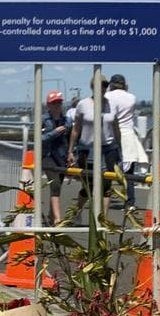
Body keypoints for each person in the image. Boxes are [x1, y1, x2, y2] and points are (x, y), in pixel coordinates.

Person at [67, 79, 122, 217]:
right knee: (89, 185)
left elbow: (116, 128)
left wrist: (120, 149)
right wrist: (70, 151)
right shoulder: (83, 104)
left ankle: (103, 220)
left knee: (106, 185)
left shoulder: (112, 105)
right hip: (87, 148)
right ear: (92, 87)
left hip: (108, 148)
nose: (102, 89)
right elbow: (76, 129)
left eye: (105, 86)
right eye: (99, 86)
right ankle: (77, 213)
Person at [105, 74, 147, 209]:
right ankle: (130, 202)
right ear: (124, 85)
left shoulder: (107, 96)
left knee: (107, 171)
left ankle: (103, 198)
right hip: (128, 136)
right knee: (129, 174)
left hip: (110, 135)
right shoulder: (131, 97)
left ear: (111, 84)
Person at [42, 90, 71, 225]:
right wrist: (54, 132)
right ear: (48, 105)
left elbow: (71, 139)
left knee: (57, 187)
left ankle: (51, 215)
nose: (57, 105)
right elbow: (38, 139)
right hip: (47, 156)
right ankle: (58, 220)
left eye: (59, 102)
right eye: (54, 103)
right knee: (55, 185)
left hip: (61, 157)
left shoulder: (67, 121)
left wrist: (71, 154)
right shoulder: (43, 120)